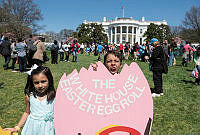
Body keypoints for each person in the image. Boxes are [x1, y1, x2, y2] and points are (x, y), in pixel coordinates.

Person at [4, 66, 56, 135]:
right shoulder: (30, 96)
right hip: (32, 129)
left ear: (49, 80)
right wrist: (17, 128)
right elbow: (26, 112)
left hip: (48, 130)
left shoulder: (55, 97)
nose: (40, 85)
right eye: (36, 83)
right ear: (32, 83)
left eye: (43, 81)